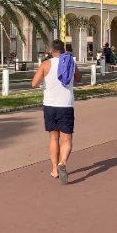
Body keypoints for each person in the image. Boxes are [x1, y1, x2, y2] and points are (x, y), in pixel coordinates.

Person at [31, 39, 79, 184]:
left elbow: (33, 84)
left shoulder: (46, 64)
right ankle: (62, 163)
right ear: (64, 50)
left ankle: (54, 170)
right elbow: (79, 78)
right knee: (67, 138)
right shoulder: (71, 63)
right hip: (66, 105)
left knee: (53, 138)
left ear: (52, 50)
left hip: (50, 106)